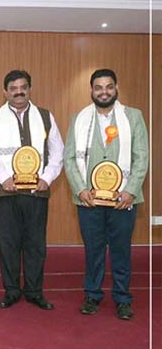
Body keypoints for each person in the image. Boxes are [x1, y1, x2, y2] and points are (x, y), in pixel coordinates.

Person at [64, 69, 148, 320]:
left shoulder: (133, 117)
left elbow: (142, 157)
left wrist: (131, 191)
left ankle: (122, 299)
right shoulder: (79, 119)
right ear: (91, 90)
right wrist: (80, 189)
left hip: (123, 200)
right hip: (88, 200)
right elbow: (69, 158)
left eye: (109, 86)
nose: (104, 92)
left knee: (121, 250)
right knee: (93, 250)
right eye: (98, 87)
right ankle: (92, 295)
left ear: (116, 88)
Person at [0, 70, 64, 310]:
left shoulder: (45, 116)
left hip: (37, 191)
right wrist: (3, 177)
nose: (18, 92)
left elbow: (58, 151)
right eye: (13, 88)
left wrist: (47, 178)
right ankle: (12, 290)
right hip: (4, 191)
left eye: (23, 87)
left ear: (29, 89)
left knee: (36, 243)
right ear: (5, 92)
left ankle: (34, 292)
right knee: (8, 243)